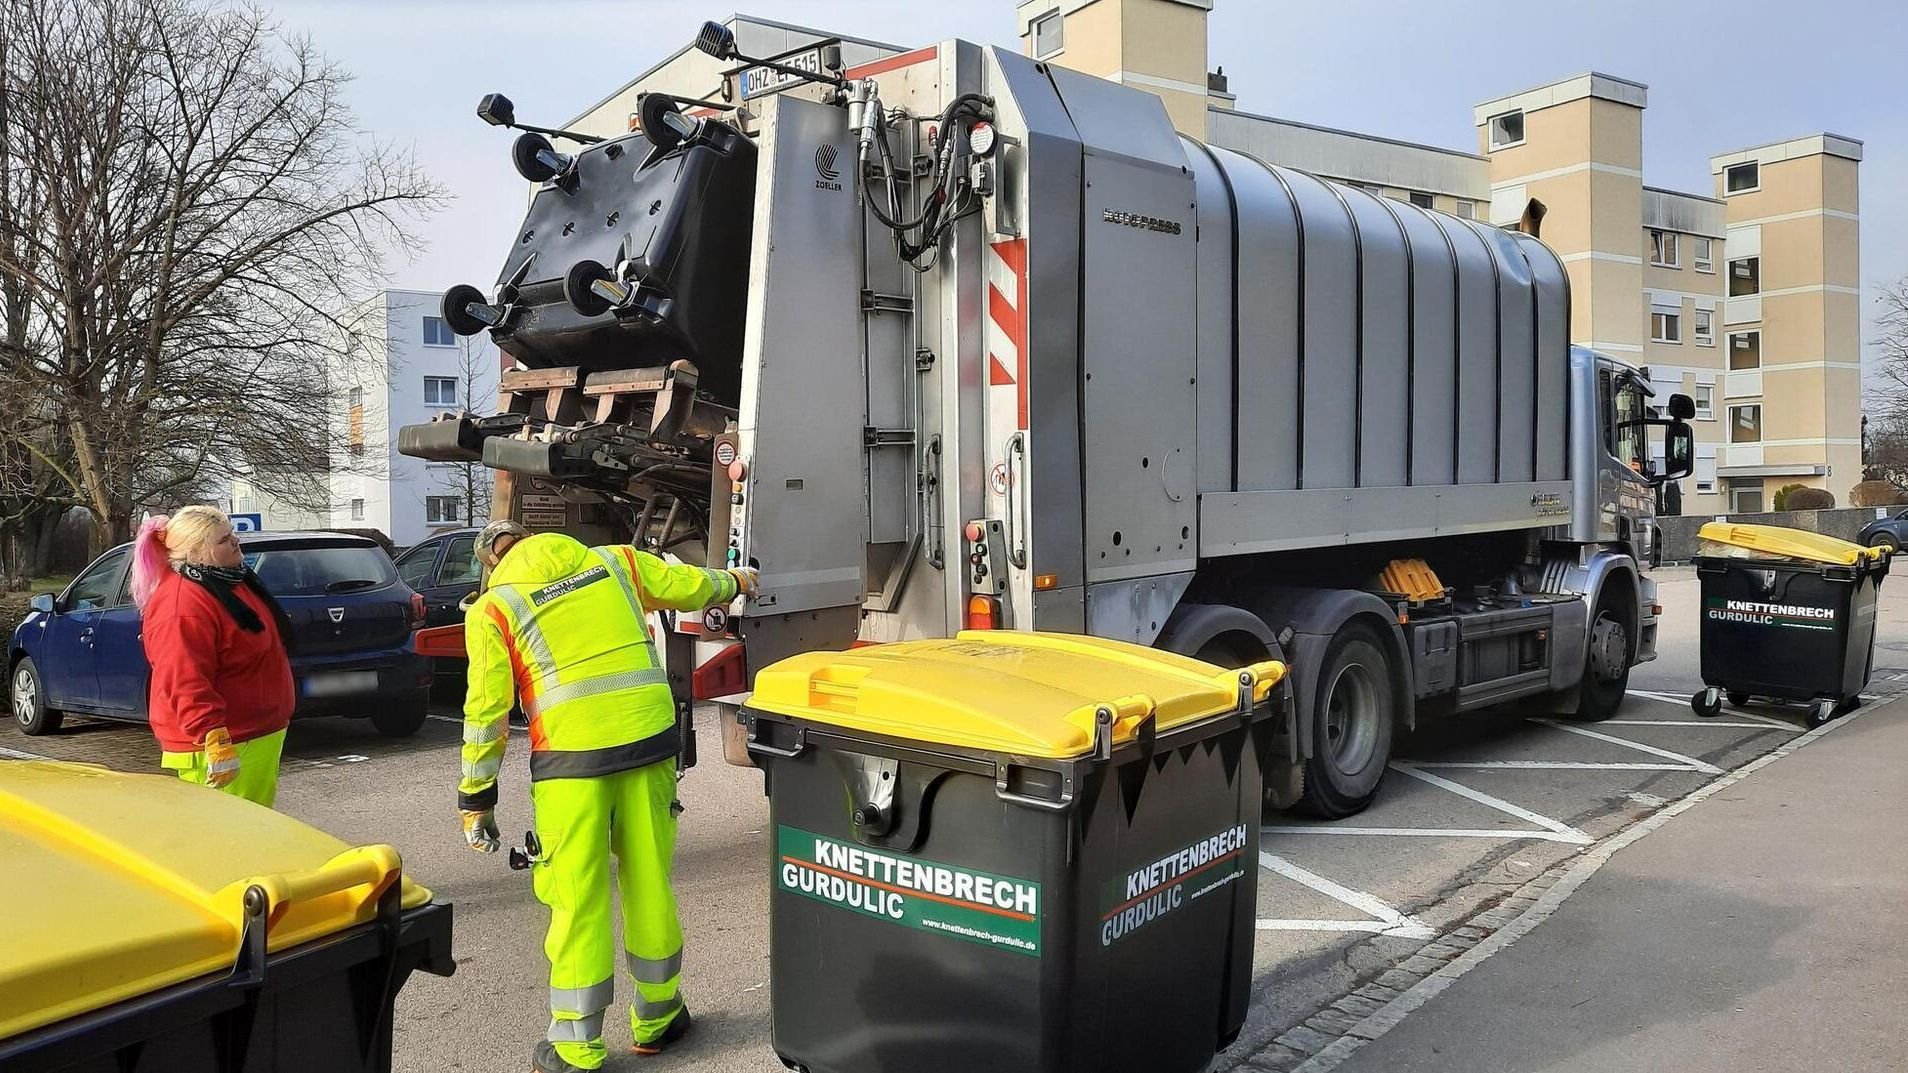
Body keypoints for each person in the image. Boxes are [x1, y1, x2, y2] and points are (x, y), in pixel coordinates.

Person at [456, 519, 755, 1071]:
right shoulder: (613, 561)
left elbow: (485, 713)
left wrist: (477, 797)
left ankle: (576, 1043)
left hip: (572, 764)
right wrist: (735, 581)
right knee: (648, 880)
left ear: (491, 563)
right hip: (648, 742)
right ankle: (660, 1017)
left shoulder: (493, 610)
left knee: (577, 896)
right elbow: (688, 583)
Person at [130, 506, 295, 807]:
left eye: (233, 535)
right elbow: (184, 679)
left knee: (250, 833)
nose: (235, 542)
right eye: (223, 540)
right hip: (222, 743)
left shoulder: (224, 582)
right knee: (232, 842)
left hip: (251, 736)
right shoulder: (182, 605)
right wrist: (213, 736)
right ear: (196, 552)